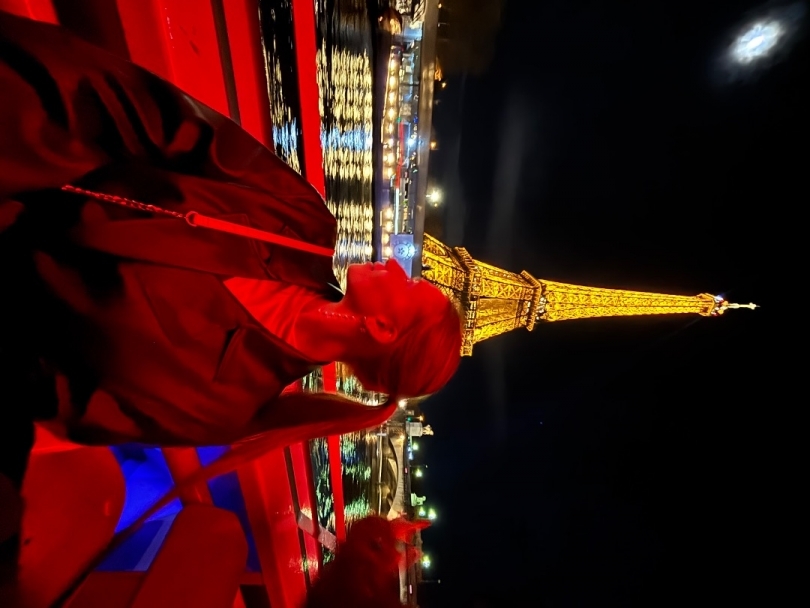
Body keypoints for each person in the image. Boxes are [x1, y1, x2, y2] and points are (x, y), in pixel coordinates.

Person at [0, 9, 462, 585]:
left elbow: (47, 395)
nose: (394, 262)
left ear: (383, 329)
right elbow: (146, 114)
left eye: (409, 283)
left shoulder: (228, 407)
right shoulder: (298, 224)